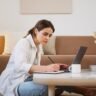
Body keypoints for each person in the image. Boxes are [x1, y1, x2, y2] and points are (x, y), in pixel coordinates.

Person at [0, 19, 96, 96]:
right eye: (45, 34)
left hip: (27, 78)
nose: (48, 38)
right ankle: (56, 90)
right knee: (45, 88)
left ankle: (86, 91)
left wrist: (54, 68)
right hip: (15, 83)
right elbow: (20, 66)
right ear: (36, 31)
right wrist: (47, 68)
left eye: (50, 35)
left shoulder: (38, 46)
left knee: (57, 78)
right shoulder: (24, 42)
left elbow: (34, 69)